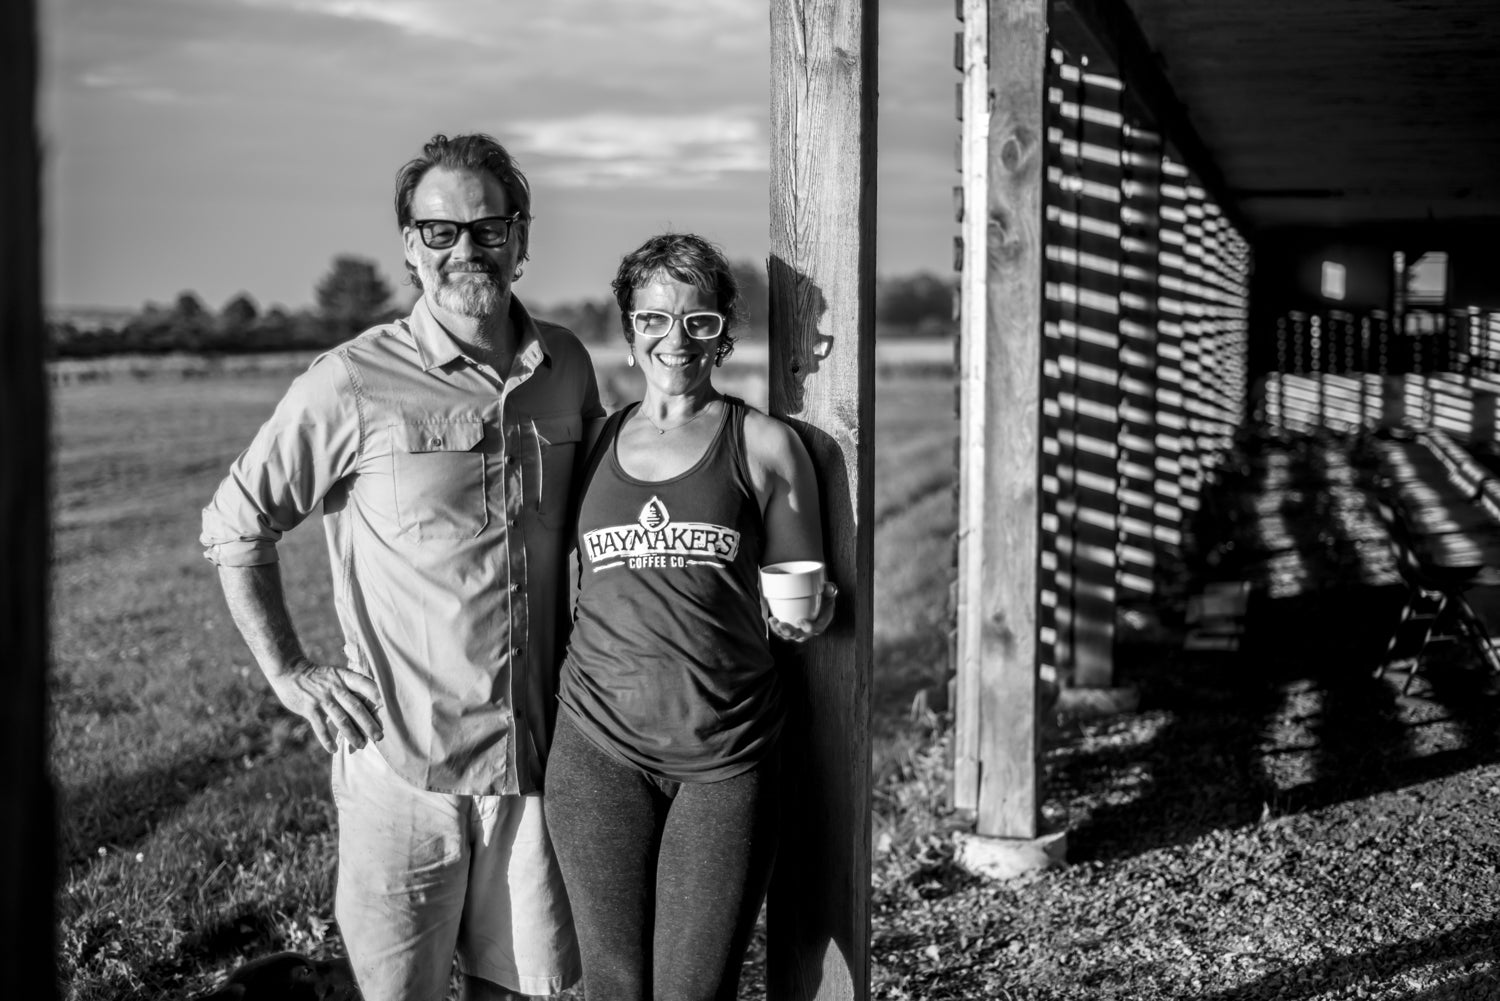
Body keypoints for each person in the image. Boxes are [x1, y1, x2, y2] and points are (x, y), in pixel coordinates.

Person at [200, 133, 602, 1001]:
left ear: (522, 240)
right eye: (441, 231)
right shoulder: (349, 381)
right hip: (400, 770)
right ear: (410, 249)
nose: (467, 250)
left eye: (489, 229)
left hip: (536, 764)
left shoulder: (567, 366)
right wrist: (291, 672)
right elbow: (237, 525)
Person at [544, 233, 837, 1001]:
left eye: (699, 321)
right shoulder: (594, 442)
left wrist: (810, 615)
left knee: (694, 991)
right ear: (629, 327)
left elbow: (797, 587)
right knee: (612, 983)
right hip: (597, 744)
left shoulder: (766, 444)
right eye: (655, 319)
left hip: (726, 749)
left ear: (723, 332)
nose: (676, 339)